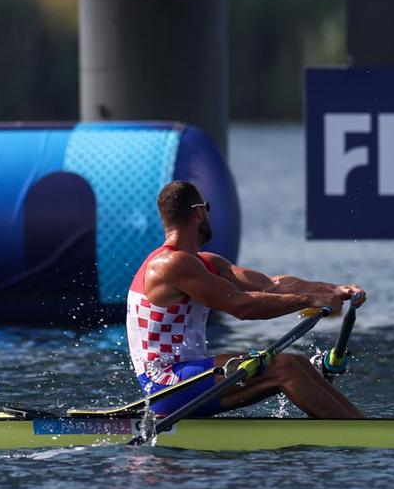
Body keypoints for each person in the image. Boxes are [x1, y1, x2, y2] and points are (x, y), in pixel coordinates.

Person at [126, 180, 365, 419]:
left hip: (187, 376)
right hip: (166, 384)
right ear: (199, 211)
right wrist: (309, 300)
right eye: (207, 208)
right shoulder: (171, 264)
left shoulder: (205, 262)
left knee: (297, 362)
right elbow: (242, 306)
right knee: (285, 368)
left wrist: (333, 290)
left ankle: (360, 426)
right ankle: (363, 437)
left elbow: (270, 285)